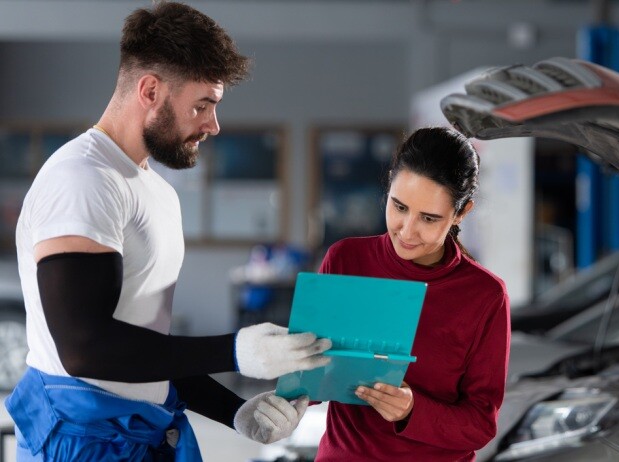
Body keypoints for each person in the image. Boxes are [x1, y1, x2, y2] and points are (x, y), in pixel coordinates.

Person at [4, 2, 331, 460]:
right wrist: (236, 352)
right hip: (80, 442)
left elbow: (143, 346)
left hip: (141, 434)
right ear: (150, 90)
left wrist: (234, 411)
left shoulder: (153, 189)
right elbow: (84, 347)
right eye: (202, 105)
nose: (213, 125)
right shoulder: (83, 179)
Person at [315, 127, 511, 461]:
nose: (407, 231)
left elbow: (480, 424)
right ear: (390, 183)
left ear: (461, 213)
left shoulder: (485, 296)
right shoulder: (346, 259)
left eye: (429, 218)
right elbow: (311, 377)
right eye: (399, 206)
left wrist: (412, 409)